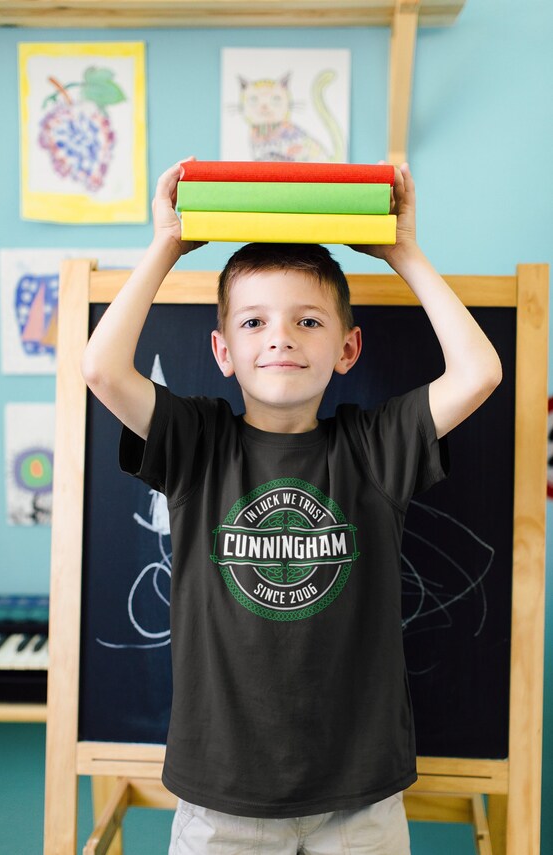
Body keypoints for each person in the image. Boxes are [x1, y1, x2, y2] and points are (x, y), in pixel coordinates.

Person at [81, 158, 502, 855]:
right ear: (222, 350)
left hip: (359, 796)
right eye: (253, 321)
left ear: (347, 348)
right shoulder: (198, 444)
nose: (280, 336)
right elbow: (100, 368)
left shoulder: (374, 447)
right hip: (222, 796)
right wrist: (167, 244)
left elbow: (480, 371)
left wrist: (403, 251)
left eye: (308, 320)